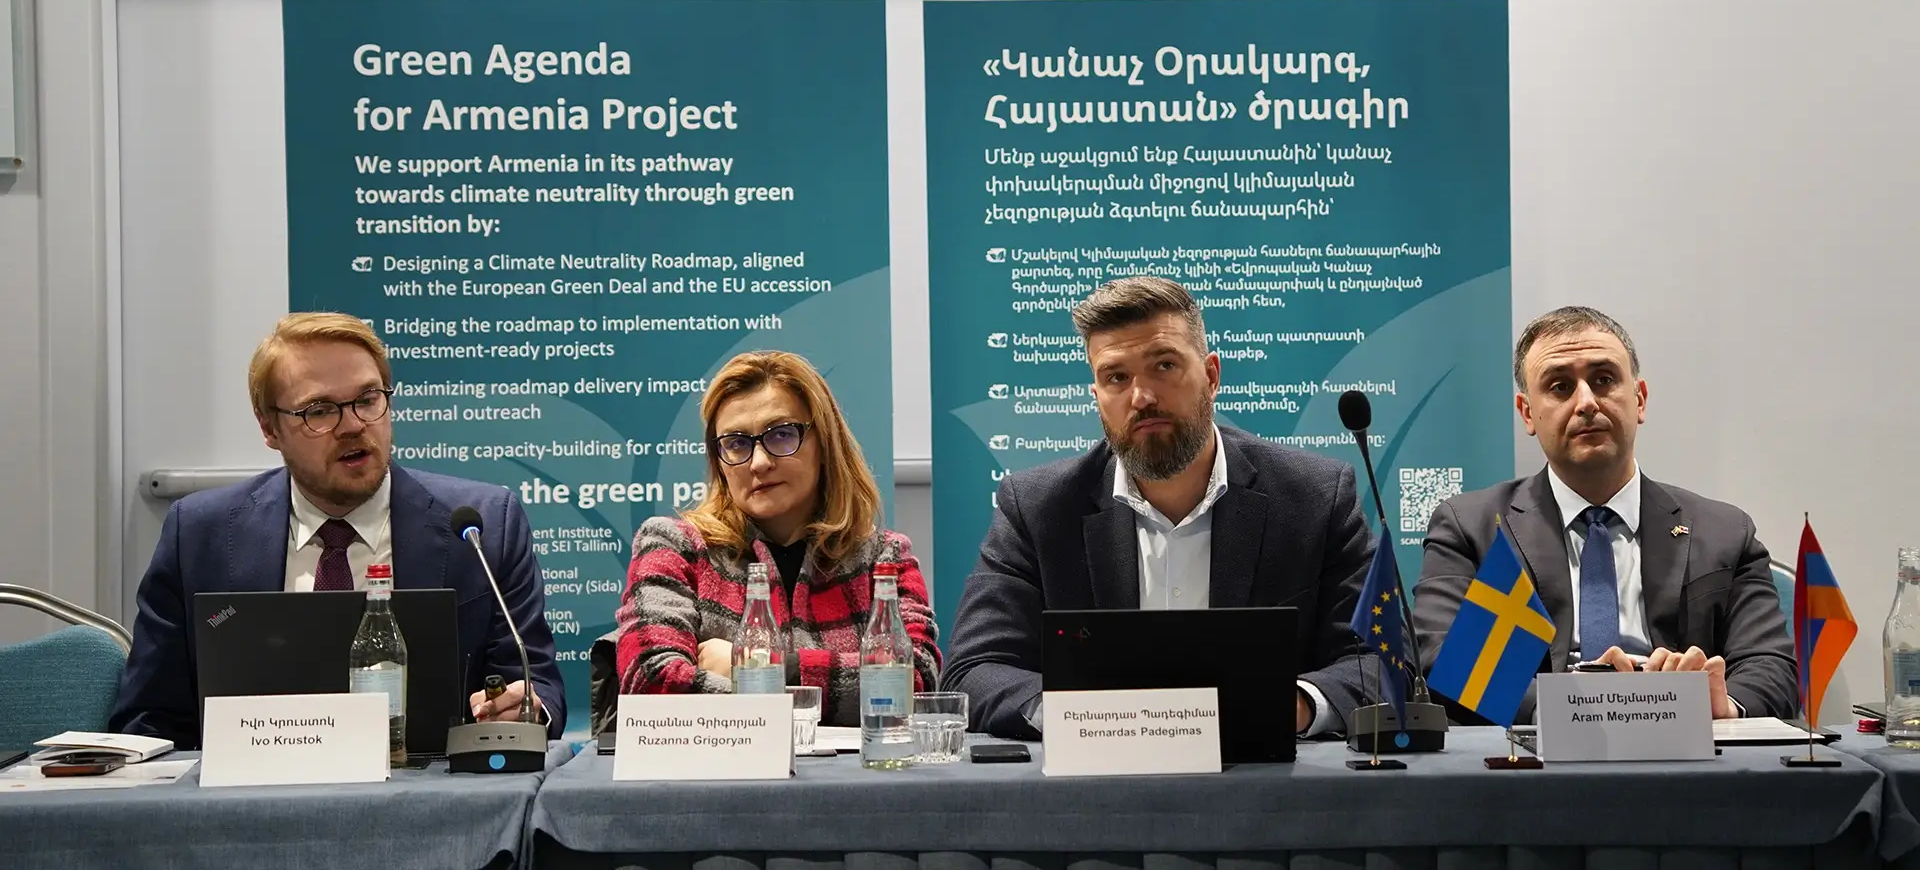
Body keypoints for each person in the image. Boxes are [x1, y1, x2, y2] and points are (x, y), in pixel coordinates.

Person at [942, 275, 1377, 740]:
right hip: (1096, 795)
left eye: (1164, 366)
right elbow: (976, 668)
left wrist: (1286, 708)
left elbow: (1377, 661)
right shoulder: (1037, 508)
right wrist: (1091, 723)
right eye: (1116, 378)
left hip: (1268, 789)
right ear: (1097, 396)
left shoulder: (1313, 497)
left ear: (1211, 376)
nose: (1142, 397)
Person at [110, 312, 565, 746]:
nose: (353, 426)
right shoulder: (199, 535)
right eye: (319, 411)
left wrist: (522, 709)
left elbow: (535, 681)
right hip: (251, 808)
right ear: (269, 427)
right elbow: (148, 717)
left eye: (368, 400)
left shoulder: (481, 524)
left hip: (432, 802)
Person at [1411, 305, 1797, 722]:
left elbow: (1771, 667)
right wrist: (1582, 711)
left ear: (1640, 399)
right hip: (1535, 762)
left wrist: (1721, 705)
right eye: (1559, 387)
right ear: (1527, 413)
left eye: (1604, 379)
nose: (1586, 402)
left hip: (1686, 753)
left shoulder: (1724, 532)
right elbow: (1444, 660)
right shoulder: (1473, 527)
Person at [612, 350, 939, 726]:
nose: (759, 462)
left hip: (855, 781)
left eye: (782, 435)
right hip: (722, 781)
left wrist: (759, 667)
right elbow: (651, 684)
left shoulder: (884, 557)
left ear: (824, 443)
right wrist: (844, 685)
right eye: (736, 443)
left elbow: (917, 683)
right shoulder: (675, 547)